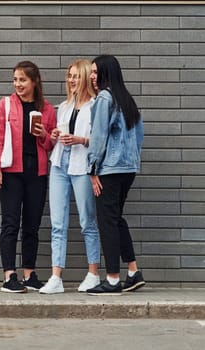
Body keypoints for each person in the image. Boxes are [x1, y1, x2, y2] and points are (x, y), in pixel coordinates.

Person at [0, 61, 57, 293]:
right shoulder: (5, 105)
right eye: (15, 79)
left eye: (22, 80)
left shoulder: (47, 109)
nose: (18, 84)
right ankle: (9, 276)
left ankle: (29, 274)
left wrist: (44, 134)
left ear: (35, 81)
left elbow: (51, 145)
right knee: (10, 223)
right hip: (11, 173)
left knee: (32, 225)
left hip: (36, 173)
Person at [85, 55, 146, 295]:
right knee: (117, 218)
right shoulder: (126, 99)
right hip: (128, 169)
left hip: (109, 170)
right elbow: (139, 136)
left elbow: (98, 137)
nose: (91, 76)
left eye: (94, 71)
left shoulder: (104, 98)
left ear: (105, 73)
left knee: (107, 222)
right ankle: (133, 272)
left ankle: (112, 279)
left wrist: (93, 170)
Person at [39, 59, 101, 294]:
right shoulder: (64, 106)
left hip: (82, 166)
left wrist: (80, 140)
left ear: (85, 78)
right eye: (69, 76)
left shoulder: (96, 106)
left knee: (87, 221)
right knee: (57, 223)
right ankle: (56, 277)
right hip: (59, 165)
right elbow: (58, 136)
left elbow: (100, 140)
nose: (71, 80)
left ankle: (93, 273)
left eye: (76, 76)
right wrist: (54, 134)